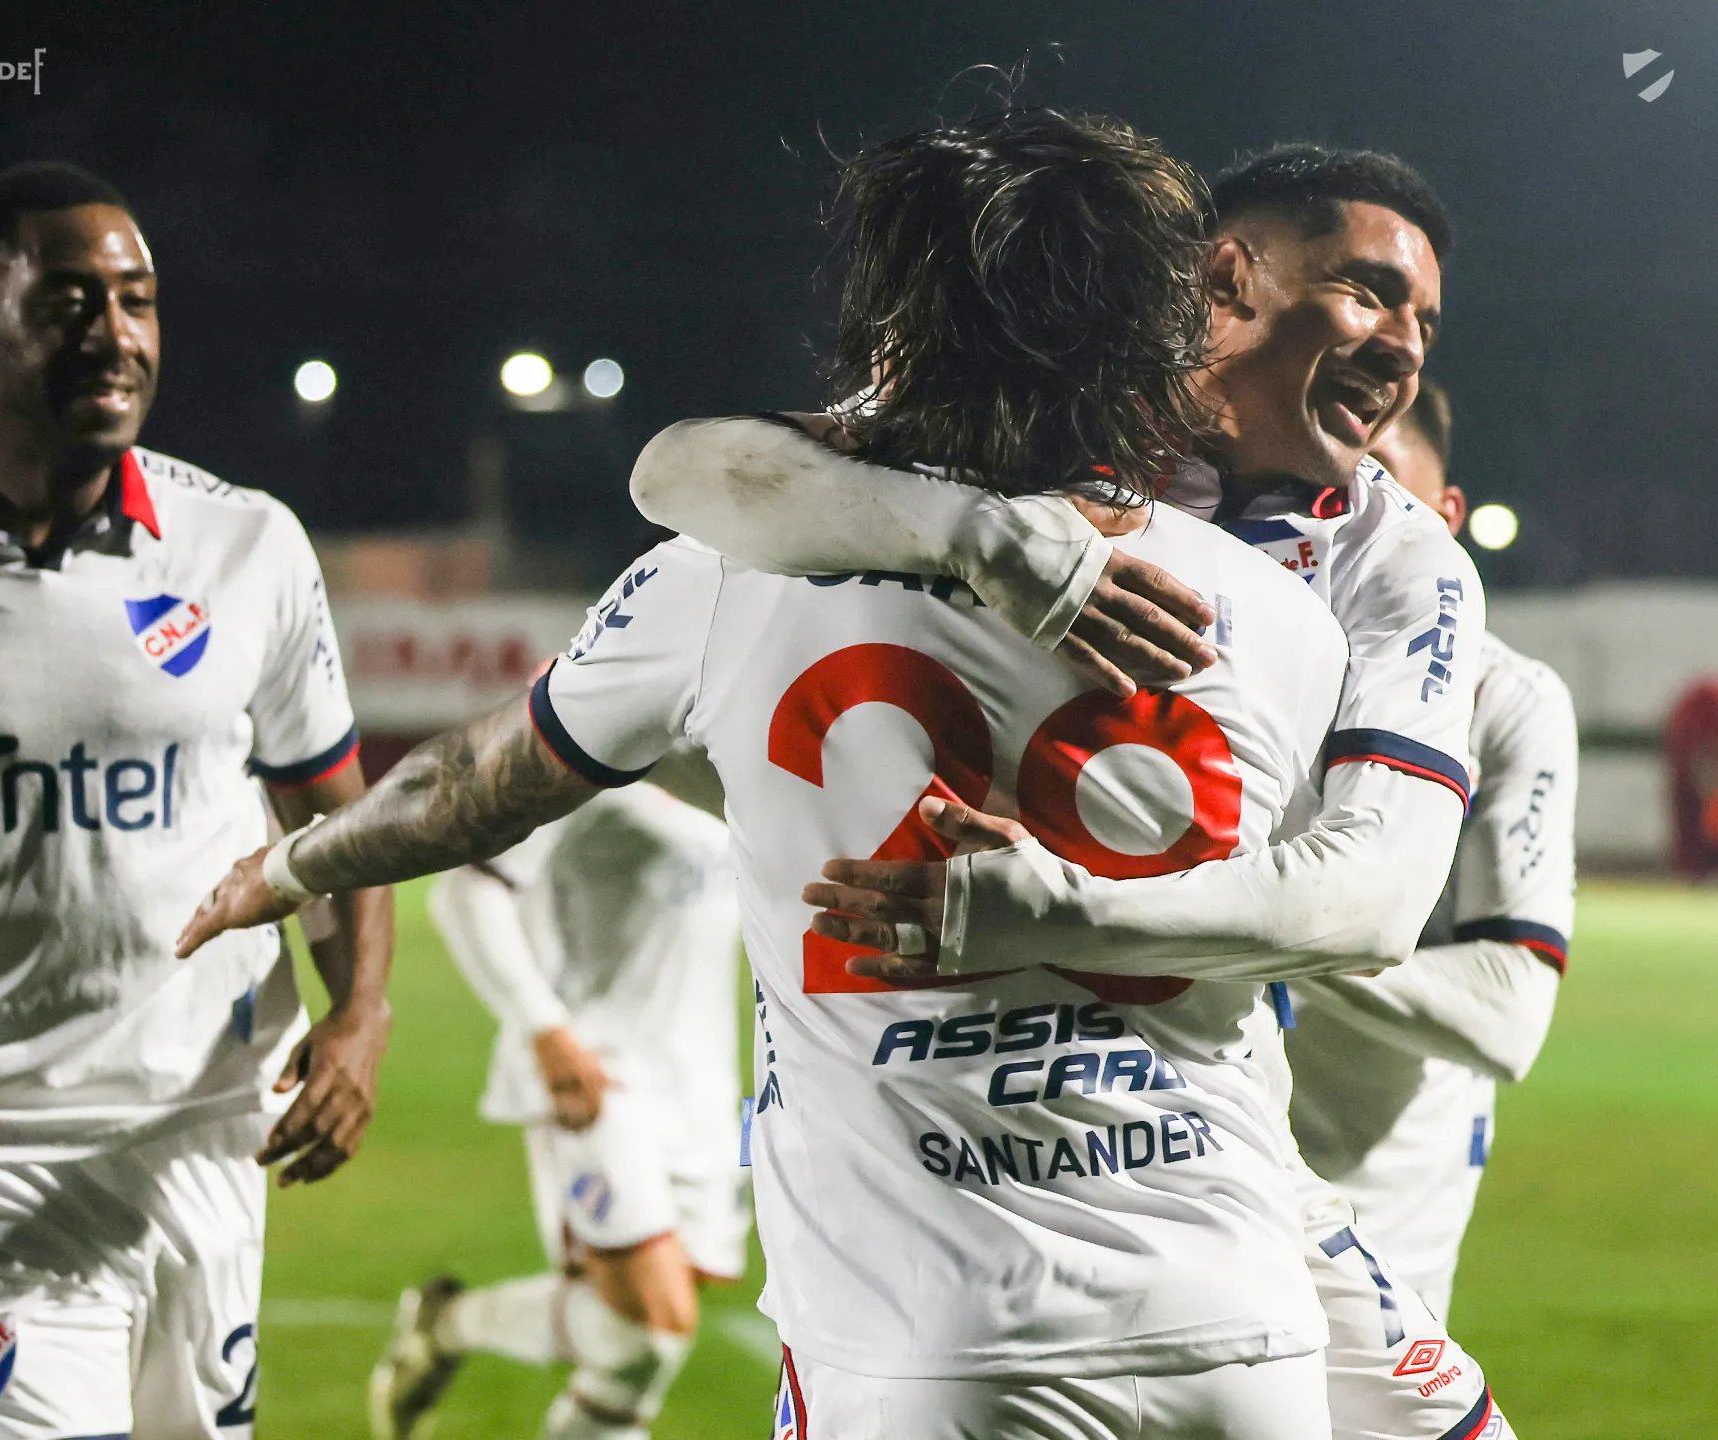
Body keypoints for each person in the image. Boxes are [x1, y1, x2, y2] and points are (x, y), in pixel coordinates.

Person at [183, 109, 1359, 1440]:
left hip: (927, 1342)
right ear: (1161, 336)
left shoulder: (726, 583)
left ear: (894, 336)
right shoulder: (1280, 619)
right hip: (1236, 1327)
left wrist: (293, 862)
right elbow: (1312, 913)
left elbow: (472, 788)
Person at [626, 146, 1514, 1439]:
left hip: (1209, 1124)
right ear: (1229, 276)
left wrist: (1055, 907)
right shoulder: (1039, 434)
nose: (1406, 347)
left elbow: (1373, 900)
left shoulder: (1398, 560)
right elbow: (681, 472)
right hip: (932, 1150)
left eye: (1425, 319)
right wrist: (982, 541)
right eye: (1370, 293)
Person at [0, 162, 393, 1439]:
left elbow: (336, 823)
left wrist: (360, 1013)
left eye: (137, 300)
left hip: (207, 1146)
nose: (116, 334)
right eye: (70, 302)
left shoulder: (247, 546)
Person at [1287, 381, 1577, 1321]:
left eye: (1384, 484)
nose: (1352, 520)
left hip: (1390, 1179)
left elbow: (1507, 1013)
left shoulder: (1504, 700)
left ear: (1447, 517)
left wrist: (1256, 927)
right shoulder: (1244, 659)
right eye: (1328, 491)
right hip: (1201, 1139)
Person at [369, 781, 749, 1440]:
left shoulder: (726, 763)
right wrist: (544, 1029)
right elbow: (466, 892)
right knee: (648, 1332)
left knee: (630, 1357)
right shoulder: (591, 756)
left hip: (703, 1095)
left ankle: (444, 1324)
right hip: (599, 1077)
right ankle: (451, 1325)